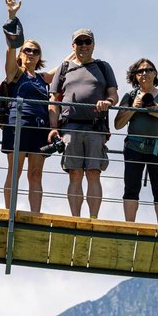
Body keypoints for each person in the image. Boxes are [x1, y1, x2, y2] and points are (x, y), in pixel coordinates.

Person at [1, 0, 69, 213]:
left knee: (36, 174)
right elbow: (10, 51)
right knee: (15, 171)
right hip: (18, 123)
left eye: (35, 51)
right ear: (21, 54)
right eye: (27, 50)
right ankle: (10, 213)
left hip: (39, 127)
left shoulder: (42, 78)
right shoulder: (15, 72)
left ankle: (35, 215)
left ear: (39, 57)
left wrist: (79, 48)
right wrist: (12, 17)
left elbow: (63, 66)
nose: (30, 53)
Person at [48, 29, 119, 218]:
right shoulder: (64, 68)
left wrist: (108, 102)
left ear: (93, 45)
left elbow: (114, 95)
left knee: (94, 173)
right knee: (75, 173)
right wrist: (53, 128)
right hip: (70, 127)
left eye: (87, 42)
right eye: (79, 42)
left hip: (95, 126)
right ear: (73, 46)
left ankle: (93, 218)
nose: (84, 46)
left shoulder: (103, 67)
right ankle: (75, 218)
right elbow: (53, 100)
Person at [114, 58, 158, 224]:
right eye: (140, 71)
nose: (144, 73)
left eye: (148, 70)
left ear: (155, 73)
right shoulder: (130, 96)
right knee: (131, 188)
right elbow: (118, 124)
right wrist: (133, 108)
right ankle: (129, 226)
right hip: (134, 147)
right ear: (135, 76)